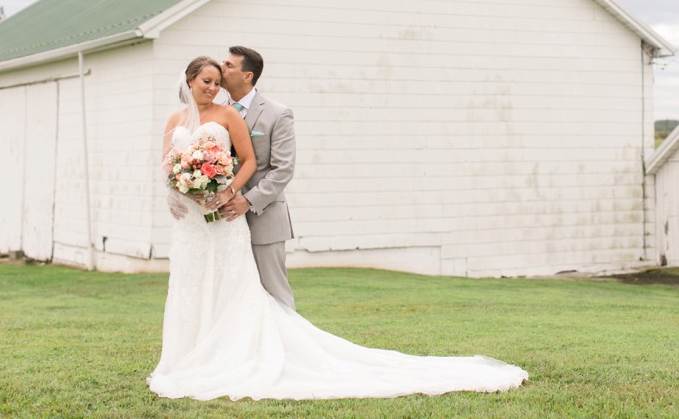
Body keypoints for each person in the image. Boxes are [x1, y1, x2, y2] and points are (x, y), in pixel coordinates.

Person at [148, 55, 528, 401]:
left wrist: (232, 191)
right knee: (194, 285)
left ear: (243, 76)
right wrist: (178, 191)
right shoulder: (177, 118)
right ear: (190, 80)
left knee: (259, 289)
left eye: (221, 76)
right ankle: (194, 354)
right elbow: (169, 163)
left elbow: (266, 165)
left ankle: (280, 353)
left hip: (245, 213)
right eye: (208, 80)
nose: (215, 85)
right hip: (194, 223)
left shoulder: (250, 114)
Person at [216, 45, 297, 309]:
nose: (222, 68)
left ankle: (290, 347)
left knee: (275, 291)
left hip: (265, 216)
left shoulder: (277, 113)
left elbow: (283, 169)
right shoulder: (214, 113)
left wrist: (247, 201)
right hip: (224, 220)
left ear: (247, 75)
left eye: (229, 65)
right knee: (231, 292)